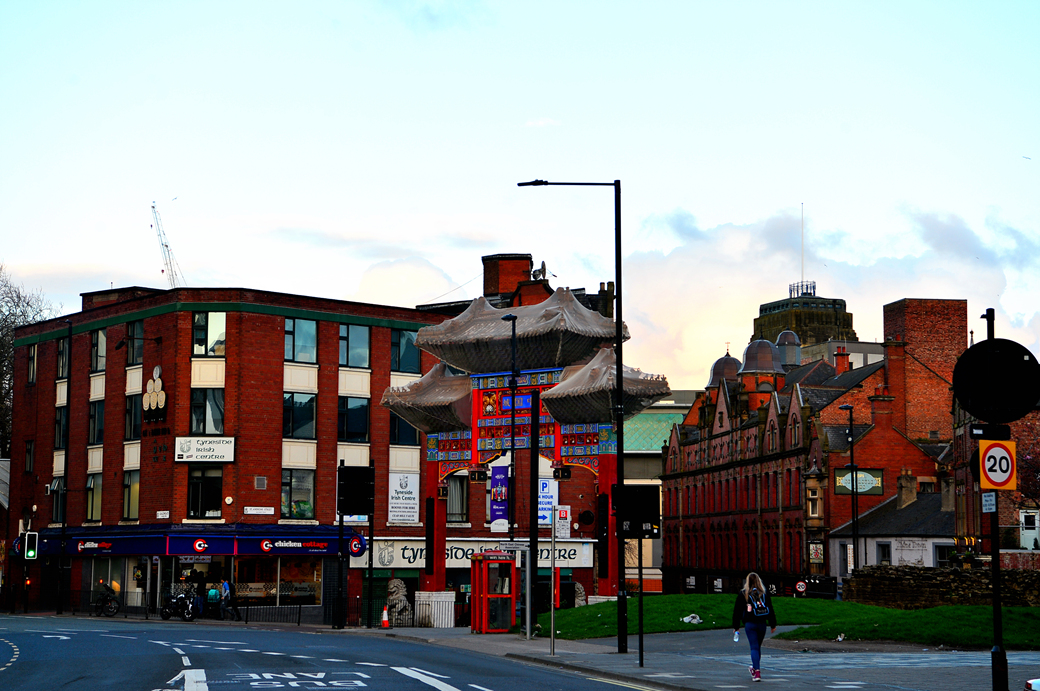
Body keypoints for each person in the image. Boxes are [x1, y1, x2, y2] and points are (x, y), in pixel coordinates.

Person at [731, 572, 777, 682]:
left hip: (750, 624)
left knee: (754, 647)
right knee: (758, 647)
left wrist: (736, 626)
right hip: (762, 624)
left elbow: (737, 611)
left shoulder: (743, 594)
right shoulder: (764, 594)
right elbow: (770, 609)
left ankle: (757, 671)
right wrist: (773, 624)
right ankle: (755, 669)